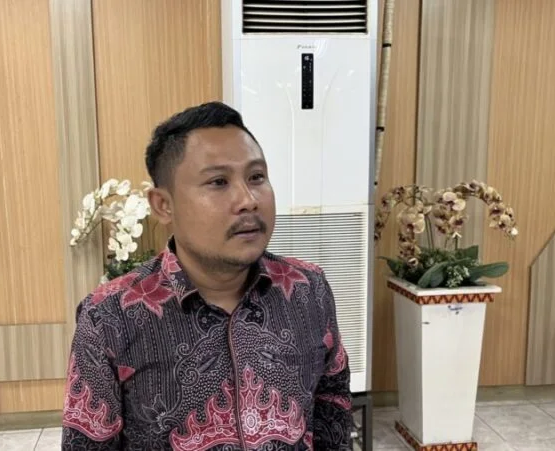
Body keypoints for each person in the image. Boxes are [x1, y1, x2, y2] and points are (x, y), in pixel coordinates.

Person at [61, 101, 355, 450]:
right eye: (218, 182)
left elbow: (332, 406)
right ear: (163, 205)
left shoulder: (308, 289)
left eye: (256, 177)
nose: (248, 200)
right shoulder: (110, 316)